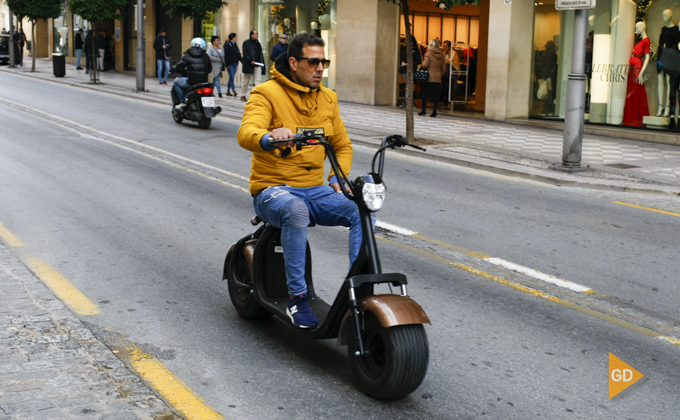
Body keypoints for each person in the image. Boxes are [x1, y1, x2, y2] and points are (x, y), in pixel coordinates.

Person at [237, 33, 360, 329]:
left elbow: (342, 145)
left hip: (316, 190)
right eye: (313, 62)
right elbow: (246, 132)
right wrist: (268, 137)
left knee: (360, 209)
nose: (320, 68)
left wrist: (337, 179)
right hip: (272, 190)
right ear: (293, 63)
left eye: (324, 62)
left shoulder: (328, 98)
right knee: (295, 211)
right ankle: (297, 297)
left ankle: (360, 290)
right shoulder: (266, 93)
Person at [173, 37, 212, 105]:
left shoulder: (187, 55)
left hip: (192, 82)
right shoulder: (206, 56)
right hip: (204, 83)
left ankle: (182, 101)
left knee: (176, 82)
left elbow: (180, 65)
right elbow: (209, 69)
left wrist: (174, 69)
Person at [418, 39, 446, 118]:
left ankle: (423, 110)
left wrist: (423, 62)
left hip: (428, 78)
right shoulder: (442, 55)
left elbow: (425, 65)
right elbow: (444, 68)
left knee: (424, 94)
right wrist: (440, 74)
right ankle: (434, 111)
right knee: (435, 95)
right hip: (437, 78)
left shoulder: (428, 54)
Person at [241, 29, 265, 102]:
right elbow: (245, 54)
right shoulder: (246, 43)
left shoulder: (258, 43)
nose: (257, 35)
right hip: (249, 65)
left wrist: (262, 63)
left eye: (257, 34)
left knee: (258, 81)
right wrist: (250, 60)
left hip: (257, 64)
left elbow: (260, 54)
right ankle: (243, 95)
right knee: (246, 81)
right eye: (256, 34)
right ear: (252, 35)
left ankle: (258, 96)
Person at [399, 35, 422, 108]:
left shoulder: (416, 50)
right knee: (409, 85)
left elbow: (419, 61)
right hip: (405, 69)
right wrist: (403, 62)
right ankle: (411, 103)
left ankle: (405, 102)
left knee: (409, 86)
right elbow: (402, 57)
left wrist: (411, 63)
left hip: (412, 70)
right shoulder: (405, 49)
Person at [223, 33, 242, 97]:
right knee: (232, 77)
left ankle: (228, 90)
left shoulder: (235, 44)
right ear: (233, 37)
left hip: (235, 62)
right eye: (235, 37)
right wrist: (227, 63)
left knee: (231, 77)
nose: (236, 38)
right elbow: (226, 54)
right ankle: (233, 90)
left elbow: (238, 53)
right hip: (230, 63)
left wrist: (242, 60)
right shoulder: (227, 44)